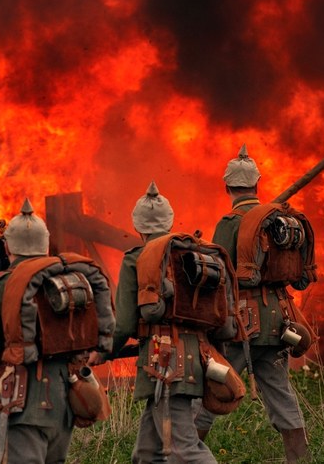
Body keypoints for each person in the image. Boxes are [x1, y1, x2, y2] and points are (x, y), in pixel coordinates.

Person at [0, 198, 96, 464]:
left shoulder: (2, 284)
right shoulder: (65, 280)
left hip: (21, 402)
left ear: (8, 246)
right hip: (64, 402)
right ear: (45, 244)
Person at [193, 144, 312, 463]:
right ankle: (299, 459)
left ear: (227, 186)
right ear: (257, 184)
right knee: (282, 396)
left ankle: (187, 452)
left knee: (211, 390)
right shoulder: (277, 221)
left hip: (240, 328)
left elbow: (219, 274)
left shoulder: (231, 223)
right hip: (280, 326)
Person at [111, 181, 223, 464]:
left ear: (138, 226)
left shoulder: (136, 259)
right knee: (146, 454)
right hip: (195, 358)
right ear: (170, 221)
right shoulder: (191, 254)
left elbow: (124, 324)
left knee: (184, 451)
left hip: (163, 365)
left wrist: (103, 349)